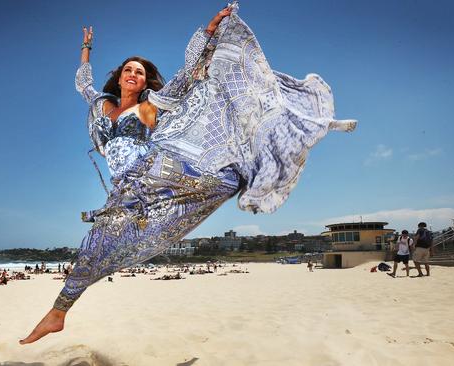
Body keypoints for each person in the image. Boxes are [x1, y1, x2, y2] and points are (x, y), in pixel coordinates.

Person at [20, 3, 356, 344]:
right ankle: (58, 313)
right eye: (128, 70)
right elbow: (83, 84)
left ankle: (244, 169)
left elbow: (185, 73)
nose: (133, 74)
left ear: (145, 80)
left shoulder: (150, 105)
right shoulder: (102, 104)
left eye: (139, 71)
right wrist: (86, 49)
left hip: (155, 169)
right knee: (97, 241)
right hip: (125, 189)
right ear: (120, 76)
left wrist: (208, 31)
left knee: (220, 181)